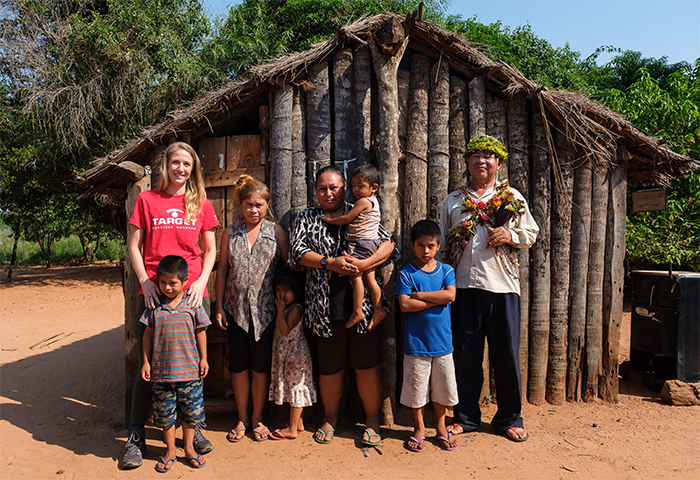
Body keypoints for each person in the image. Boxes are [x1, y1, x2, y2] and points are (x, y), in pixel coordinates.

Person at [123, 142, 219, 469]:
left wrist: (202, 281)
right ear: (165, 165)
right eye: (176, 162)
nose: (181, 169)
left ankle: (194, 432)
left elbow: (210, 250)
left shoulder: (200, 202)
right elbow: (134, 245)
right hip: (155, 291)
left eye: (187, 164)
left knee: (194, 364)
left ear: (193, 170)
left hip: (192, 293)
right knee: (147, 365)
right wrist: (145, 281)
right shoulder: (147, 200)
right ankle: (136, 434)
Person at [440, 135, 539, 442]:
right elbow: (443, 243)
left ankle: (510, 417)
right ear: (467, 162)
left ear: (499, 162)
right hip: (464, 287)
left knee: (506, 355)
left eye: (488, 156)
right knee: (465, 355)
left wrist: (509, 235)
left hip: (502, 287)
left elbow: (531, 233)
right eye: (475, 156)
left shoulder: (512, 197)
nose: (481, 161)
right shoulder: (454, 201)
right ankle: (466, 418)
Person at [289, 165, 395, 447]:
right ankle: (330, 418)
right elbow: (297, 253)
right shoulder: (308, 217)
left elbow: (388, 244)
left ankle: (372, 421)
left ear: (344, 188)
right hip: (324, 306)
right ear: (315, 191)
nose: (328, 193)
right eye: (322, 188)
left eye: (334, 187)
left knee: (366, 363)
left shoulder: (360, 209)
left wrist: (364, 264)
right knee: (330, 365)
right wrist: (328, 262)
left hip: (362, 306)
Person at [214, 174, 289, 443]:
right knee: (239, 368)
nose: (253, 210)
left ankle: (257, 417)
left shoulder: (276, 232)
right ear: (241, 205)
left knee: (260, 368)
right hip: (236, 312)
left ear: (266, 205)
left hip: (266, 313)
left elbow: (287, 269)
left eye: (259, 205)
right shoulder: (230, 233)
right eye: (248, 205)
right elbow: (222, 271)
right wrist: (220, 307)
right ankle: (242, 418)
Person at [140, 255, 211, 472]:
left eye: (173, 283)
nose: (167, 288)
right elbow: (146, 335)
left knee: (191, 414)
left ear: (185, 282)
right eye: (163, 283)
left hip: (190, 373)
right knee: (165, 415)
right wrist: (145, 362)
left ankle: (189, 448)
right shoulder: (154, 306)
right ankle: (170, 450)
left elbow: (201, 332)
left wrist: (203, 358)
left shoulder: (193, 304)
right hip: (162, 375)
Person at [396, 220, 458, 452]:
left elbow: (450, 296)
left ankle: (441, 427)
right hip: (416, 345)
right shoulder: (406, 273)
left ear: (438, 246)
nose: (425, 250)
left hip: (443, 344)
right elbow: (404, 304)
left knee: (442, 389)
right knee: (417, 389)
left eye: (430, 245)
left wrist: (420, 296)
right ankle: (419, 428)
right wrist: (436, 298)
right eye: (420, 245)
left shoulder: (447, 271)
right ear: (413, 245)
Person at [321, 164, 387, 328]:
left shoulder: (363, 202)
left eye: (361, 186)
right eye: (354, 185)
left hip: (362, 244)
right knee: (370, 278)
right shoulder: (373, 202)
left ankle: (358, 310)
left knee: (355, 275)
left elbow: (347, 219)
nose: (356, 190)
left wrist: (330, 220)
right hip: (371, 243)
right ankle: (379, 308)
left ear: (374, 188)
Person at [267, 268, 317, 440]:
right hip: (287, 355)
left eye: (286, 291)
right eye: (278, 291)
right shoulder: (289, 307)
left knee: (297, 388)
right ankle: (298, 423)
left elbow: (285, 330)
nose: (281, 295)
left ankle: (293, 429)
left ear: (297, 292)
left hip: (295, 356)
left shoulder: (295, 309)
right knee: (292, 386)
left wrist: (280, 310)